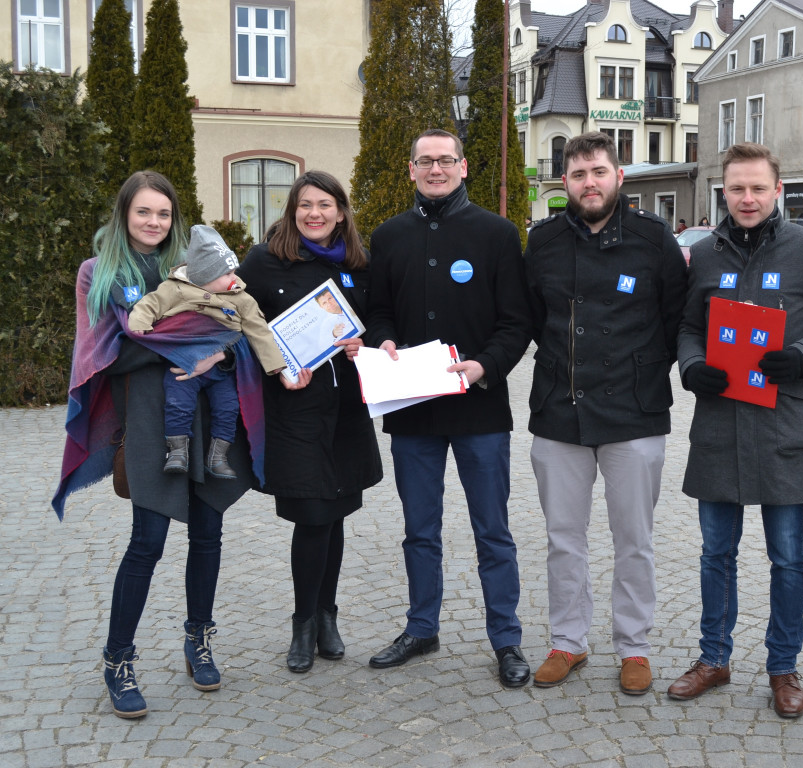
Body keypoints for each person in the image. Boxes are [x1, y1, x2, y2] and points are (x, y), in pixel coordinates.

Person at [53, 171, 260, 718]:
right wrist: (196, 347)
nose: (154, 222)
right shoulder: (98, 274)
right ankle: (118, 659)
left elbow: (238, 326)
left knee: (209, 532)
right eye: (144, 212)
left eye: (164, 214)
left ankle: (199, 639)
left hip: (206, 416)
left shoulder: (194, 270)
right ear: (125, 213)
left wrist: (216, 351)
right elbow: (107, 355)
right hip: (147, 419)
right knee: (147, 541)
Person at [670, 142, 803, 718]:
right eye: (736, 188)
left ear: (778, 191)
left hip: (783, 425)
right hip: (721, 423)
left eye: (757, 188)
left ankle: (783, 667)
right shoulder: (703, 254)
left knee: (788, 556)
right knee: (715, 552)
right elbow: (688, 327)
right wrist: (693, 365)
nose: (746, 198)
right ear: (722, 191)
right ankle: (713, 658)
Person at [364, 128, 533, 687]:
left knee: (493, 530)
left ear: (463, 168)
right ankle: (421, 627)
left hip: (479, 408)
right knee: (420, 529)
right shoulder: (389, 236)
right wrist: (383, 340)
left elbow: (517, 321)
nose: (435, 169)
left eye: (445, 160)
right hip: (412, 408)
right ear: (410, 170)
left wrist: (487, 365)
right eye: (425, 161)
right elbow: (379, 311)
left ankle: (506, 640)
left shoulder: (497, 234)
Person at [524, 131, 687, 695]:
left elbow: (675, 320)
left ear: (618, 176)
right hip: (558, 412)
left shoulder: (653, 240)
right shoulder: (542, 242)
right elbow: (523, 320)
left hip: (634, 414)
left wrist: (642, 370)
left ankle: (634, 647)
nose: (588, 183)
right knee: (563, 537)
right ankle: (568, 641)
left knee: (633, 539)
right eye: (577, 174)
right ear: (563, 182)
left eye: (598, 172)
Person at [236, 170, 383, 674]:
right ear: (292, 210)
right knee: (313, 516)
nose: (314, 214)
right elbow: (238, 325)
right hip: (292, 412)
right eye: (304, 205)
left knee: (335, 514)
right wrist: (274, 364)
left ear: (341, 211)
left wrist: (366, 343)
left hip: (345, 413)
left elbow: (381, 321)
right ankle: (303, 623)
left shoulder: (359, 265)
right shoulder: (263, 260)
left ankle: (327, 617)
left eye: (324, 205)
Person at [128, 225, 286, 478]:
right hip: (184, 362)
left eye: (233, 271)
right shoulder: (176, 289)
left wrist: (276, 365)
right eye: (227, 273)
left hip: (221, 369)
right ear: (204, 275)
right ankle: (177, 452)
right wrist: (139, 325)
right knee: (177, 402)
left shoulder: (241, 298)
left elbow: (260, 332)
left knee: (228, 407)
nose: (234, 278)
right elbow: (149, 304)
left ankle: (218, 457)